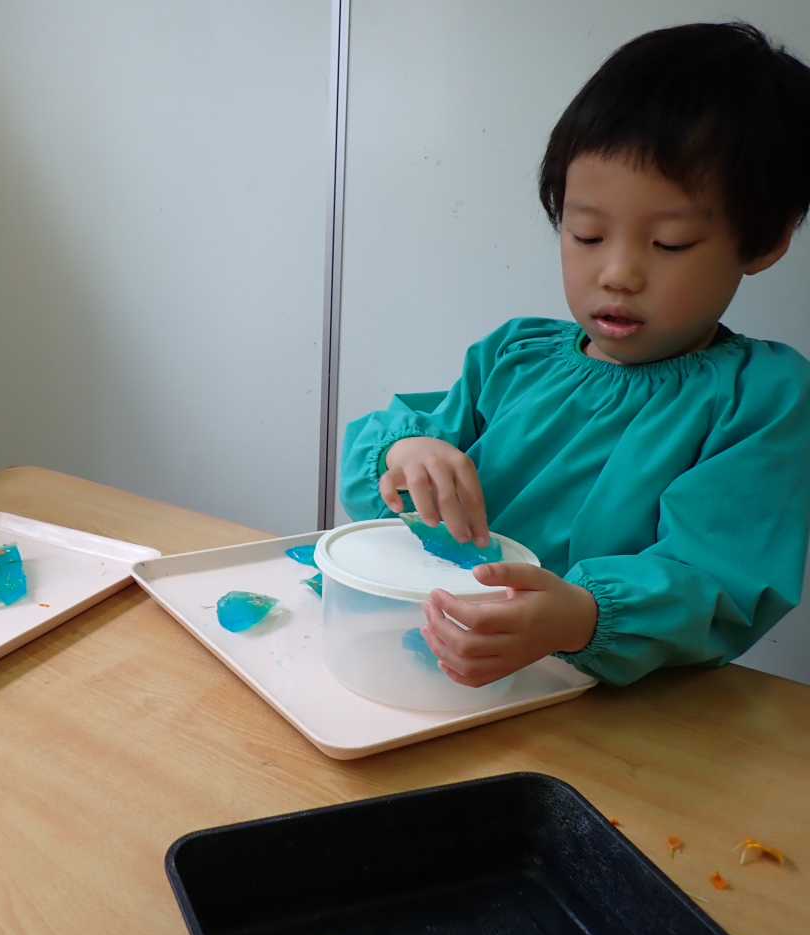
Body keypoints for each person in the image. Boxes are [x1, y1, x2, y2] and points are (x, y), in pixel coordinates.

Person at [340, 22, 810, 687]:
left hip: (609, 708)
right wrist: (405, 454)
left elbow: (719, 582)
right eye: (587, 234)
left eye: (670, 244)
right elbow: (384, 478)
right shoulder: (515, 356)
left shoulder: (760, 399)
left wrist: (582, 618)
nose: (618, 274)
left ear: (763, 242)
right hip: (437, 666)